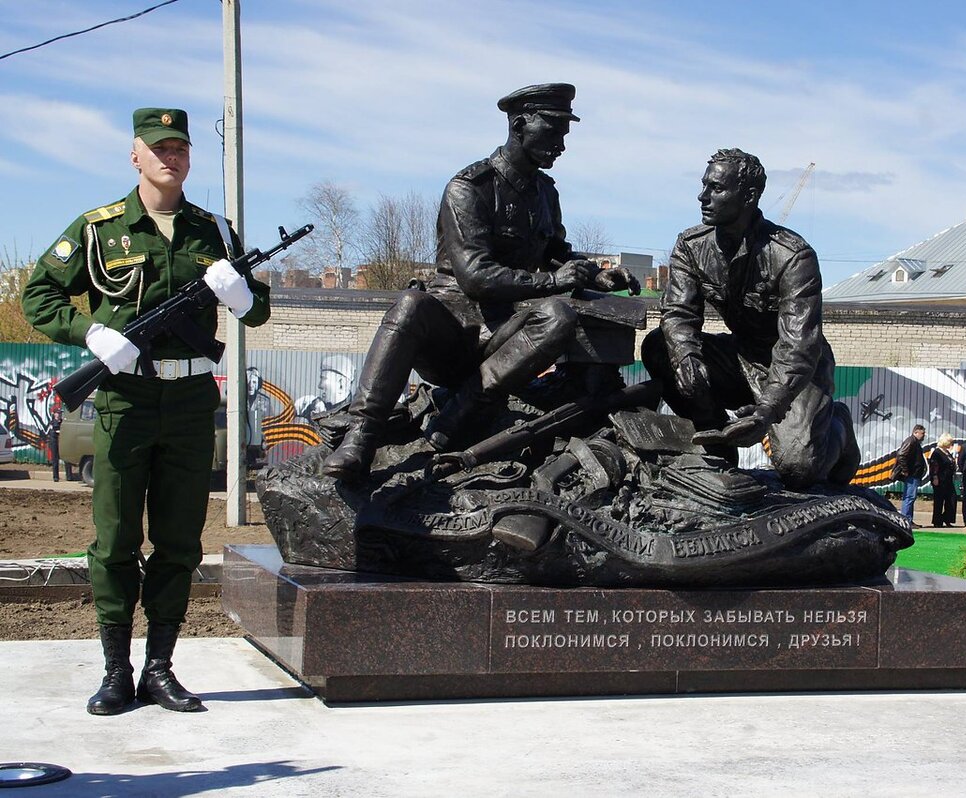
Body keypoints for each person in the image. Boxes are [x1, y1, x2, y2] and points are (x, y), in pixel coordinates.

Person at [22, 108, 271, 715]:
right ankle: (115, 670)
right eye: (158, 148)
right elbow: (38, 295)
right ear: (135, 155)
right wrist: (89, 333)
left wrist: (242, 297)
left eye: (180, 147)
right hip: (124, 401)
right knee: (113, 542)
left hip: (190, 404)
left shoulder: (216, 231)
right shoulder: (98, 228)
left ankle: (160, 667)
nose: (171, 157)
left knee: (180, 542)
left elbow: (257, 310)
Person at [323, 83, 637, 480]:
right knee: (409, 304)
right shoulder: (469, 187)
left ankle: (468, 404)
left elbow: (555, 251)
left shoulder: (545, 193)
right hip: (453, 333)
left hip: (505, 338)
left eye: (564, 134)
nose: (561, 144)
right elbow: (475, 276)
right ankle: (361, 435)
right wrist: (553, 279)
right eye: (553, 131)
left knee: (558, 316)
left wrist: (596, 272)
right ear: (520, 125)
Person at [641, 148, 858, 489]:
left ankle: (839, 427)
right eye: (704, 186)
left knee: (799, 470)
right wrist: (686, 354)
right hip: (740, 358)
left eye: (717, 189)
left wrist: (767, 411)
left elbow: (798, 345)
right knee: (659, 346)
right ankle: (713, 440)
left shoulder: (791, 255)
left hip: (796, 371)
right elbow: (679, 312)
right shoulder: (690, 245)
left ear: (749, 196)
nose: (703, 196)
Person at [892, 425, 927, 521]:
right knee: (909, 497)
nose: (924, 435)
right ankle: (906, 519)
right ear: (915, 432)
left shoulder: (915, 442)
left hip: (914, 474)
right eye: (922, 433)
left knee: (911, 497)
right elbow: (901, 455)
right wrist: (905, 470)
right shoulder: (911, 441)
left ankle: (909, 519)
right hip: (912, 474)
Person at [928, 433, 957, 528]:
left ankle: (947, 519)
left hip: (948, 479)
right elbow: (934, 466)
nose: (951, 444)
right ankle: (937, 521)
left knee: (952, 499)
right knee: (939, 500)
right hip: (940, 479)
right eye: (950, 442)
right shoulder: (937, 452)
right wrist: (935, 477)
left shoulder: (947, 452)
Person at [47, 405, 63, 482]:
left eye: (60, 413)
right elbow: (52, 431)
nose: (59, 414)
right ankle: (55, 477)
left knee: (67, 459)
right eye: (58, 413)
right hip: (54, 442)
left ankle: (69, 476)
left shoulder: (63, 422)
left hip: (62, 441)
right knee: (55, 459)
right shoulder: (52, 422)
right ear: (54, 414)